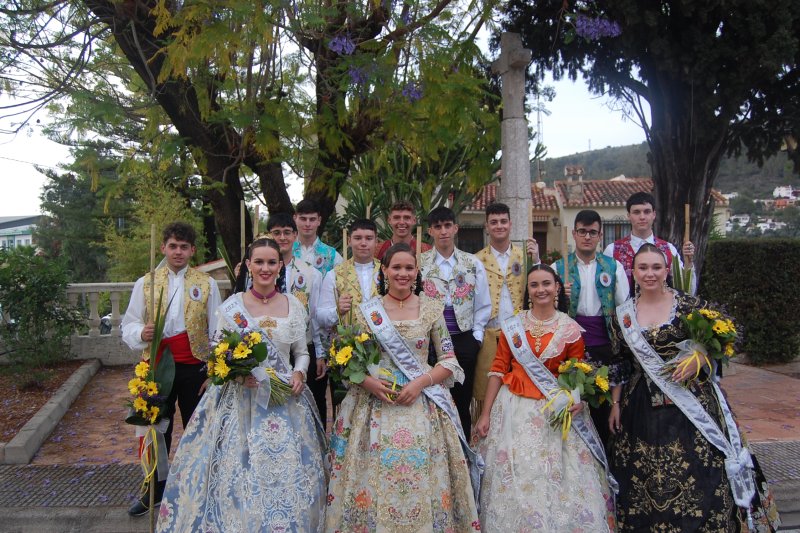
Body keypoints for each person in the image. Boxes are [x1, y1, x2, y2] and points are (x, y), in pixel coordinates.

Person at [156, 238, 328, 532]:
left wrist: (299, 374)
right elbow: (218, 353)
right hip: (241, 403)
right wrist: (237, 375)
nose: (265, 268)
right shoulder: (231, 307)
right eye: (258, 262)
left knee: (288, 472)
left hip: (286, 400)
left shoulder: (294, 306)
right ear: (248, 265)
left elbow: (301, 352)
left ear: (280, 266)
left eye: (271, 262)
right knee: (242, 472)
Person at [609, 243, 779, 532]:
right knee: (643, 476)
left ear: (666, 271)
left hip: (693, 402)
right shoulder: (621, 316)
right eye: (643, 268)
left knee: (702, 472)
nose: (650, 274)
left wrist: (700, 358)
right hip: (640, 408)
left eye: (656, 267)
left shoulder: (690, 306)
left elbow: (723, 342)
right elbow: (621, 364)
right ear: (633, 273)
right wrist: (614, 404)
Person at [325, 243, 480, 532]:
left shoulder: (432, 309)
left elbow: (448, 360)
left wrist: (420, 382)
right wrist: (369, 382)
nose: (403, 273)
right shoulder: (365, 312)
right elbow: (346, 360)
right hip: (373, 403)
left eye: (409, 268)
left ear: (417, 272)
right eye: (396, 267)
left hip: (423, 401)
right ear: (384, 270)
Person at [474, 264, 615, 532]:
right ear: (528, 290)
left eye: (546, 284)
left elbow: (576, 372)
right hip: (512, 408)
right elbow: (498, 368)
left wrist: (577, 401)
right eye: (535, 285)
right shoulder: (513, 325)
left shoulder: (570, 329)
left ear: (557, 288)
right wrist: (485, 413)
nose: (541, 290)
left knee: (554, 474)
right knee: (514, 472)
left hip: (554, 411)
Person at [121, 222, 221, 517]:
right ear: (163, 247)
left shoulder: (206, 284)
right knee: (156, 429)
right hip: (157, 367)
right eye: (173, 246)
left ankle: (196, 487)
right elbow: (129, 322)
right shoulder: (146, 282)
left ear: (192, 250)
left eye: (184, 247)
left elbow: (216, 330)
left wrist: (214, 370)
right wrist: (142, 333)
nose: (178, 252)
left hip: (195, 366)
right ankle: (154, 489)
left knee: (196, 428)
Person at [552, 209, 629, 446]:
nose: (587, 237)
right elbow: (548, 307)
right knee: (573, 403)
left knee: (602, 406)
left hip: (605, 344)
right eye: (582, 232)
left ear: (600, 235)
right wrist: (560, 297)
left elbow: (624, 306)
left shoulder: (613, 267)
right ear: (574, 234)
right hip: (572, 346)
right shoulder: (558, 268)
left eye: (592, 232)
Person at [420, 206, 491, 438]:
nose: (443, 231)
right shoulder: (420, 264)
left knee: (462, 399)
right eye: (438, 227)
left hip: (463, 338)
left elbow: (482, 303)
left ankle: (463, 450)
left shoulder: (472, 263)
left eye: (447, 226)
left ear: (455, 228)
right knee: (433, 398)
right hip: (431, 342)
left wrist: (476, 337)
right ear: (430, 230)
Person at [263, 213, 328, 425]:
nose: (282, 237)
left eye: (287, 232)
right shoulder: (255, 272)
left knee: (312, 404)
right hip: (267, 349)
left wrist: (320, 353)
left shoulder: (311, 274)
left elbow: (316, 316)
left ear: (295, 235)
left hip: (304, 347)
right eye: (276, 233)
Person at [472, 202, 529, 419]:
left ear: (510, 224)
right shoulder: (476, 259)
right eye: (494, 222)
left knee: (517, 389)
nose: (499, 226)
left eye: (503, 221)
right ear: (487, 226)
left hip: (519, 332)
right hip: (488, 333)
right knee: (486, 389)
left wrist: (538, 258)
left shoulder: (524, 256)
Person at [603, 191, 696, 295]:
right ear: (628, 215)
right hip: (623, 311)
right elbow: (605, 290)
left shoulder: (668, 249)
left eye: (647, 212)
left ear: (654, 215)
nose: (642, 217)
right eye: (636, 212)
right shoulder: (612, 251)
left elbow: (686, 290)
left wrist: (689, 262)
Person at [316, 219, 381, 331]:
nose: (363, 243)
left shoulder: (387, 271)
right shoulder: (335, 274)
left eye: (369, 238)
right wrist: (338, 311)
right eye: (357, 238)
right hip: (349, 344)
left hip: (384, 342)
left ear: (376, 242)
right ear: (349, 241)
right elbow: (320, 316)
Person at [292, 198, 342, 275]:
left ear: (319, 220)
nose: (307, 224)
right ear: (295, 219)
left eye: (312, 219)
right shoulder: (286, 252)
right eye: (303, 219)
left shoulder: (333, 256)